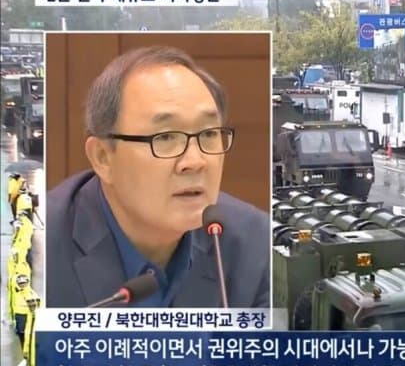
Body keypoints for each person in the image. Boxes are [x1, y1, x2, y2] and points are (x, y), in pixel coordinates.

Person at [46, 46, 269, 309]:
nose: (195, 162)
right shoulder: (40, 250)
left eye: (209, 134)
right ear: (103, 158)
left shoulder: (256, 245)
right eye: (164, 137)